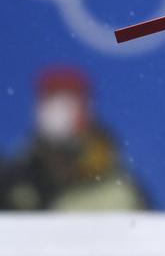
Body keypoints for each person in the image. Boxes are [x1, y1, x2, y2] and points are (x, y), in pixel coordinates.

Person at [0, 67, 147, 211]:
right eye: (50, 99)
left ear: (86, 110)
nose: (58, 113)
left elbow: (143, 230)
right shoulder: (15, 179)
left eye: (68, 103)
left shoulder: (117, 188)